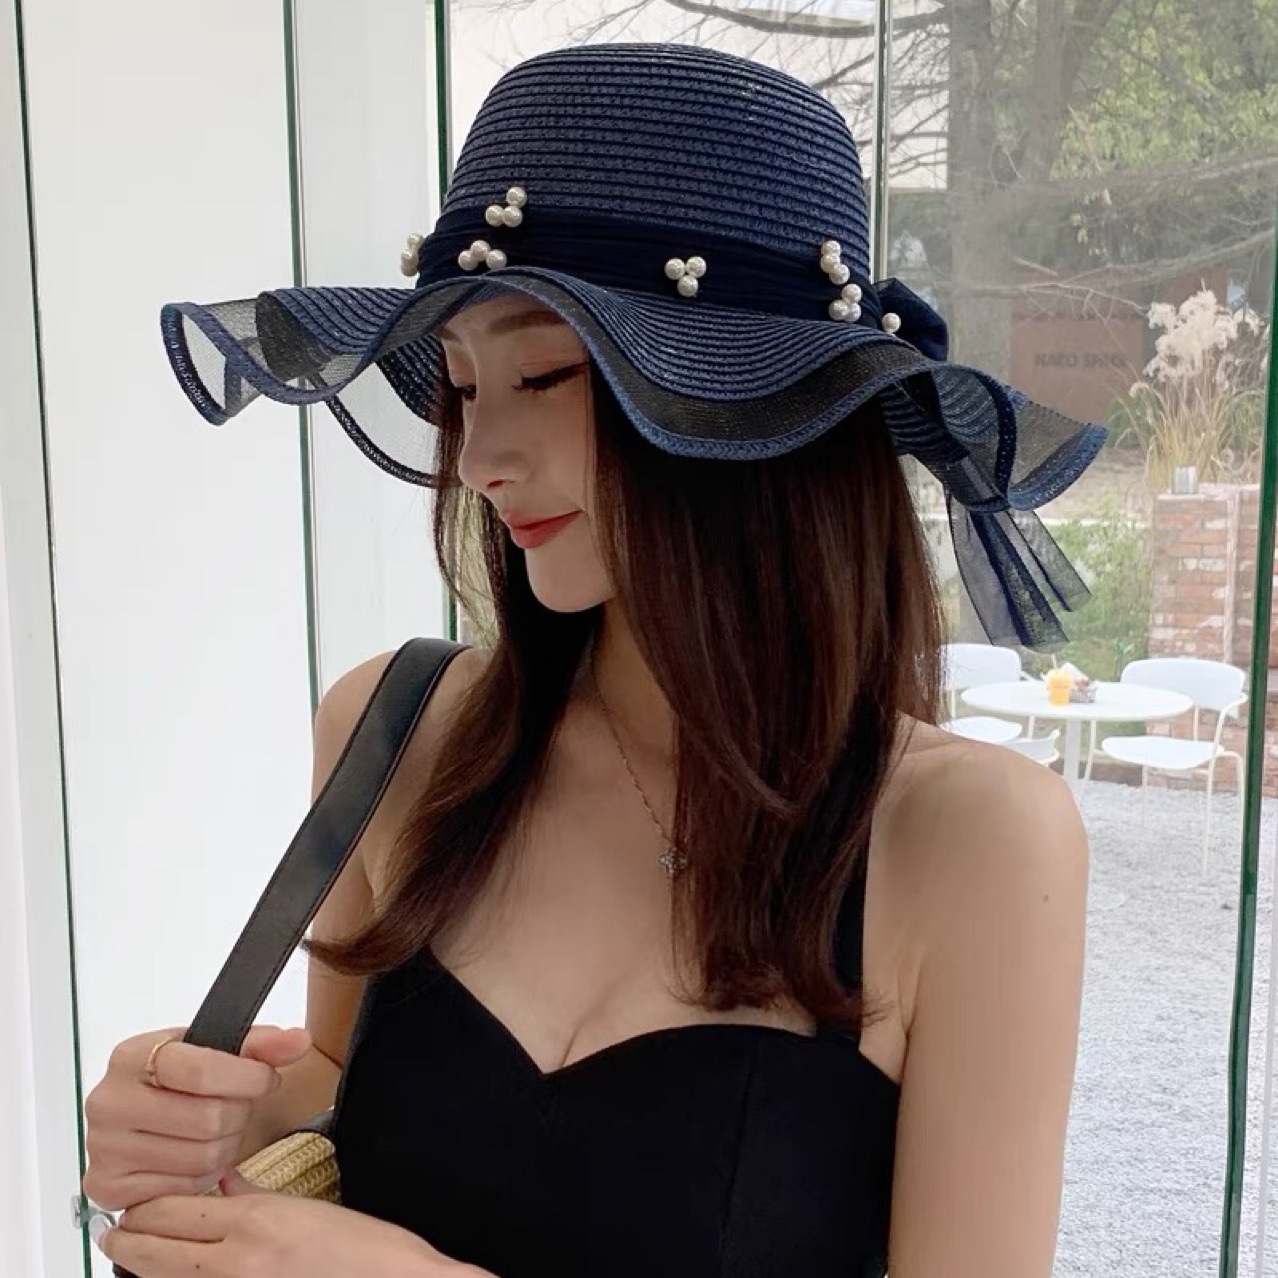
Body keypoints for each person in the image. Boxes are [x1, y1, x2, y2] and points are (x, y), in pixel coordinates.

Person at [83, 41, 1099, 1278]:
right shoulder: (396, 727)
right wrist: (207, 1113)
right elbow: (346, 1091)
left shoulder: (972, 842)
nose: (477, 459)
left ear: (752, 404)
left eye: (543, 372)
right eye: (463, 385)